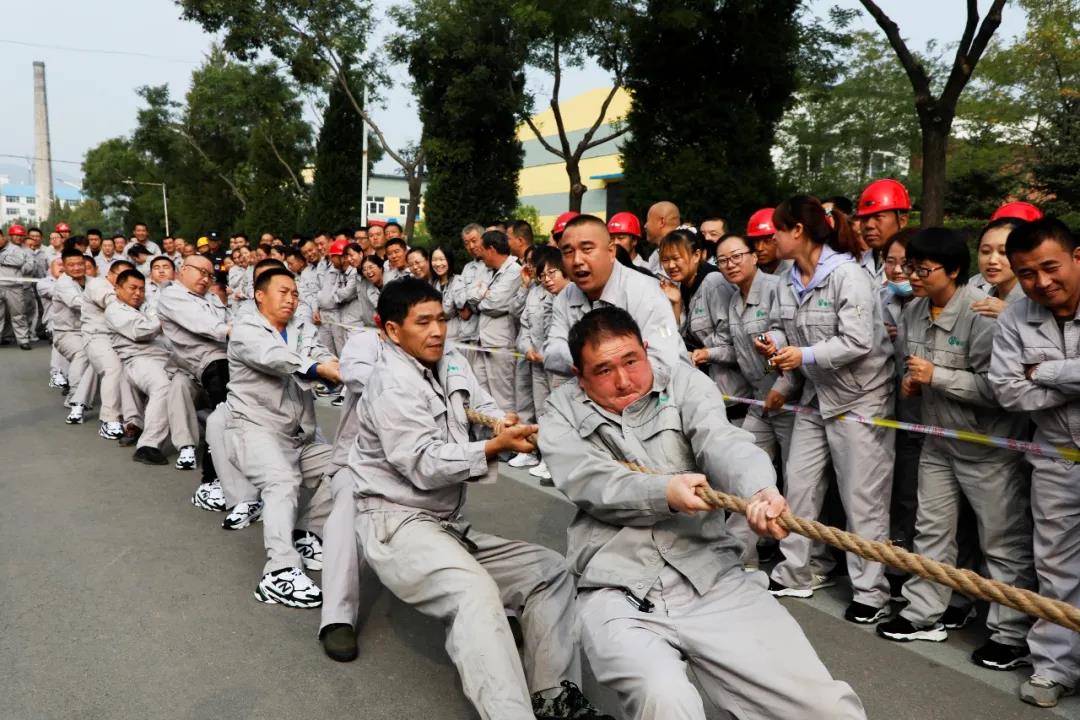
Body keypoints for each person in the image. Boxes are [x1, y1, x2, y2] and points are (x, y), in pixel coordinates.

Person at [539, 306, 866, 720]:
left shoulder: (683, 382)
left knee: (823, 707)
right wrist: (665, 492)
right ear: (579, 375)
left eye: (631, 361)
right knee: (665, 698)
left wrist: (760, 489)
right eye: (603, 370)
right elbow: (587, 480)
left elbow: (721, 440)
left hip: (712, 576)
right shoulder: (560, 411)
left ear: (646, 349)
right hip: (617, 590)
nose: (623, 380)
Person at [340, 277, 609, 719]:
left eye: (440, 319)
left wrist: (504, 425)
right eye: (423, 322)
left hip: (444, 526)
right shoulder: (391, 383)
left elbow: (482, 406)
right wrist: (491, 448)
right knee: (474, 592)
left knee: (549, 571)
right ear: (391, 330)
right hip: (397, 524)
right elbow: (423, 463)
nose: (437, 331)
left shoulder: (447, 360)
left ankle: (554, 698)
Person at [874, 228, 1035, 672]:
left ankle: (1010, 633)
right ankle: (923, 612)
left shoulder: (983, 317)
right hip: (938, 441)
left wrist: (937, 377)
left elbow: (1000, 391)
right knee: (931, 530)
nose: (913, 277)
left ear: (954, 271)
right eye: (910, 268)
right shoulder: (914, 311)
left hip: (987, 447)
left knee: (1001, 540)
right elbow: (911, 373)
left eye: (923, 270)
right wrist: (913, 384)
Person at [762, 195, 896, 624]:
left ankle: (871, 592)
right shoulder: (785, 279)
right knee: (798, 484)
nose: (773, 238)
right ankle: (796, 570)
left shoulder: (848, 276)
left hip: (860, 398)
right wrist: (774, 344)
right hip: (816, 395)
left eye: (778, 230)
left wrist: (802, 355)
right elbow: (782, 328)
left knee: (862, 498)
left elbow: (858, 342)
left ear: (797, 231)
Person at [990, 218, 1080, 708]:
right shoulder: (1015, 316)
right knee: (1055, 564)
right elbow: (1008, 391)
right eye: (1027, 273)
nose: (1041, 282)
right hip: (1055, 455)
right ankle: (1054, 666)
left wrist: (1045, 372)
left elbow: (1027, 382)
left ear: (1077, 257)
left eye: (1050, 267)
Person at [225, 267, 339, 607]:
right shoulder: (246, 328)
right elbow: (273, 357)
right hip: (253, 429)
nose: (291, 299)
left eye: (295, 294)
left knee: (346, 463)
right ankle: (279, 571)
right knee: (282, 482)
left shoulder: (301, 328)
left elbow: (319, 352)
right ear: (260, 295)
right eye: (283, 292)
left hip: (297, 435)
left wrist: (335, 365)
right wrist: (319, 369)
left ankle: (307, 533)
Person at [709, 232, 797, 567]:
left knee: (796, 483)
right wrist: (704, 354)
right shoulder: (734, 301)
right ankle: (740, 561)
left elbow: (790, 339)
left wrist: (784, 386)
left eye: (737, 256)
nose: (730, 265)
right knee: (743, 473)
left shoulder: (777, 289)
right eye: (723, 260)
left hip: (790, 401)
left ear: (754, 256)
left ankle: (798, 566)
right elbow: (736, 351)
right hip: (761, 402)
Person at [545, 215, 687, 378]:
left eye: (587, 249)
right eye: (568, 252)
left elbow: (662, 363)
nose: (577, 260)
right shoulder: (565, 296)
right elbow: (552, 355)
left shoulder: (646, 292)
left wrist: (594, 363)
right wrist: (598, 360)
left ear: (611, 251)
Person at [157, 254, 233, 511]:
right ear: (183, 269)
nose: (205, 278)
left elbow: (230, 318)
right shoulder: (173, 296)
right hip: (208, 363)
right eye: (201, 271)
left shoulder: (211, 297)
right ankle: (210, 481)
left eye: (210, 275)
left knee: (237, 416)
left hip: (228, 358)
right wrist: (233, 331)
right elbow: (207, 325)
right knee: (223, 416)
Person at [106, 269, 201, 468]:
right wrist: (163, 316)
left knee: (187, 386)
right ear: (118, 288)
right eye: (132, 288)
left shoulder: (145, 305)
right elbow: (141, 331)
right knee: (165, 387)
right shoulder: (115, 309)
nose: (137, 293)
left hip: (164, 357)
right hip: (140, 359)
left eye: (141, 289)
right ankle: (148, 446)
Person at [657, 228, 749, 417]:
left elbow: (734, 341)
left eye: (676, 258)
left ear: (696, 255)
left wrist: (704, 353)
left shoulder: (714, 282)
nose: (671, 265)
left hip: (733, 391)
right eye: (665, 260)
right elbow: (677, 338)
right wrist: (676, 304)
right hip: (705, 389)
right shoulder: (681, 287)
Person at [518, 245, 568, 482]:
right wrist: (527, 348)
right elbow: (524, 325)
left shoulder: (571, 296)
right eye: (542, 275)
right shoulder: (535, 294)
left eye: (552, 273)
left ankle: (560, 463)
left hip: (562, 369)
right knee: (543, 412)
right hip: (538, 364)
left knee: (561, 414)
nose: (546, 279)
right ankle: (546, 458)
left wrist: (547, 355)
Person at [82, 258, 143, 442]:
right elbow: (111, 300)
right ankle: (109, 419)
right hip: (99, 337)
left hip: (125, 337)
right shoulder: (97, 284)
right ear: (110, 274)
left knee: (136, 370)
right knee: (114, 368)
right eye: (121, 276)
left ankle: (133, 419)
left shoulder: (134, 290)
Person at [468, 230, 522, 411]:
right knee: (482, 394)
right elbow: (471, 295)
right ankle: (487, 428)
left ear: (491, 249)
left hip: (500, 344)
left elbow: (494, 304)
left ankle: (507, 428)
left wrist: (481, 297)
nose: (480, 254)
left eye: (482, 249)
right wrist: (483, 296)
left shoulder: (514, 271)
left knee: (503, 397)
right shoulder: (486, 269)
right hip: (482, 341)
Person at [52, 248, 100, 423]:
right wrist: (103, 304)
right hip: (67, 333)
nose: (77, 268)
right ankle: (74, 397)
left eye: (80, 264)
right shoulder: (63, 283)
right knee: (83, 353)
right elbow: (75, 302)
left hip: (92, 331)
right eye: (71, 265)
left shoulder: (93, 281)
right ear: (64, 267)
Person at [854, 179, 911, 286]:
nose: (869, 225)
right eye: (864, 218)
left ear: (902, 221)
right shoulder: (853, 265)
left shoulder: (919, 265)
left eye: (878, 217)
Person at [971, 217, 1028, 318]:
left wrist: (1012, 314)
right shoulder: (973, 284)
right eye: (985, 251)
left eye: (1003, 252)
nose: (992, 260)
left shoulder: (1038, 295)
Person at [0, 226, 35, 349]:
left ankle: (23, 340)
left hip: (14, 287)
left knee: (18, 314)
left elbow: (19, 262)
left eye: (20, 235)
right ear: (10, 235)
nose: (18, 237)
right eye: (16, 235)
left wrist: (3, 259)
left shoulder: (18, 249)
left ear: (3, 237)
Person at [746, 207, 793, 276]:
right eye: (756, 241)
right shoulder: (751, 270)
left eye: (767, 241)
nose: (759, 248)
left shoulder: (795, 272)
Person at [643, 201, 682, 275]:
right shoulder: (658, 251)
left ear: (661, 222)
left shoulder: (683, 248)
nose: (645, 226)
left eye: (648, 220)